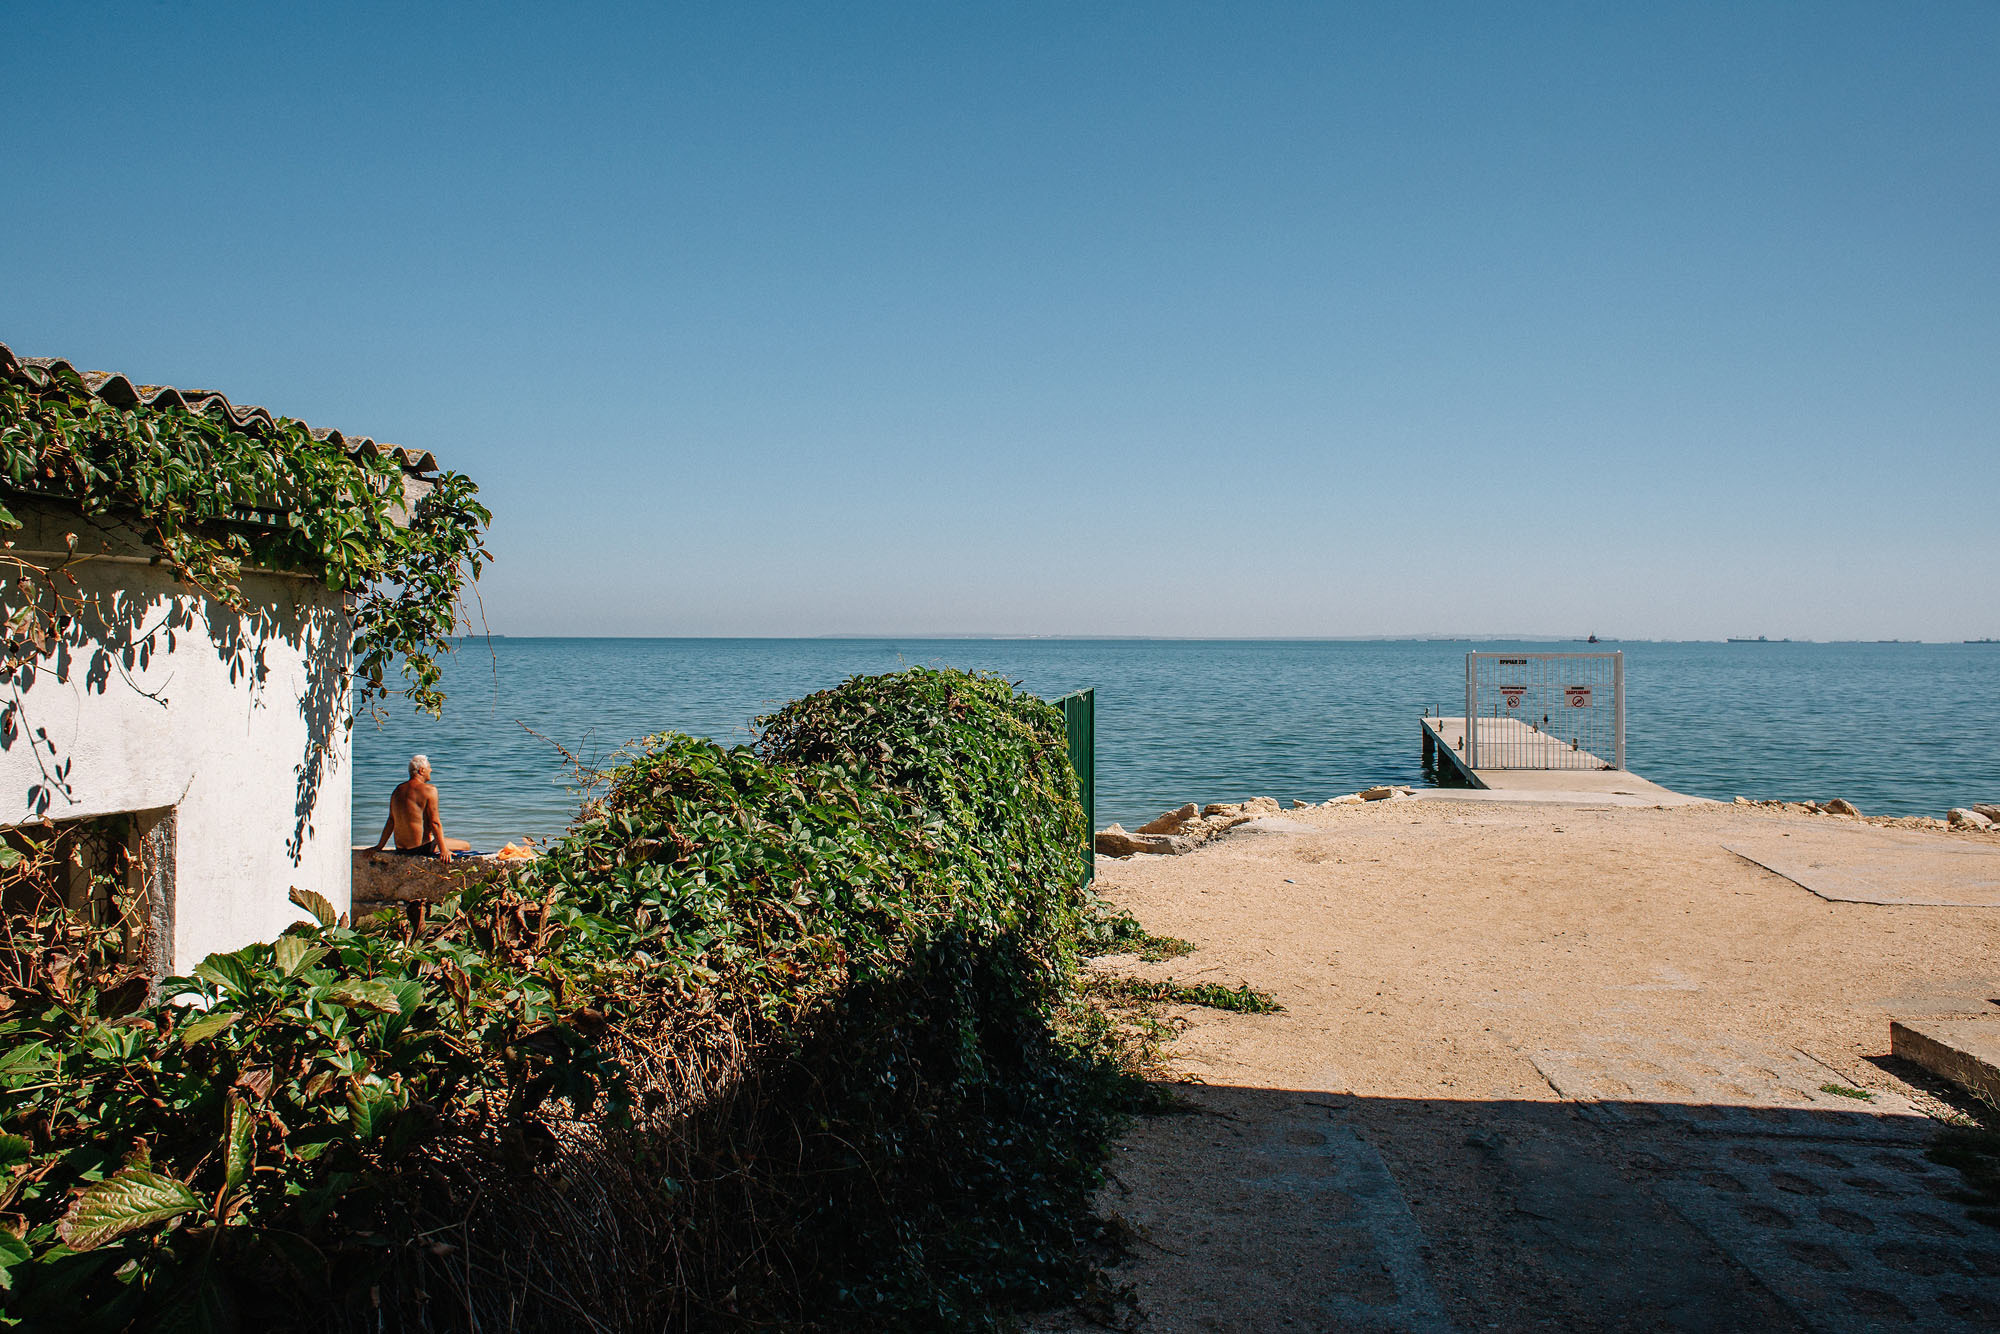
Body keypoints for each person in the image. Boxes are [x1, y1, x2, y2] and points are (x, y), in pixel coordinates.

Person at [368, 754, 471, 862]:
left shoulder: (398, 790)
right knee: (465, 845)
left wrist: (379, 846)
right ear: (421, 770)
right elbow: (434, 823)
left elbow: (391, 821)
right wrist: (444, 850)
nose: (431, 770)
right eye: (429, 768)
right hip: (421, 849)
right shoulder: (429, 790)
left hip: (401, 849)